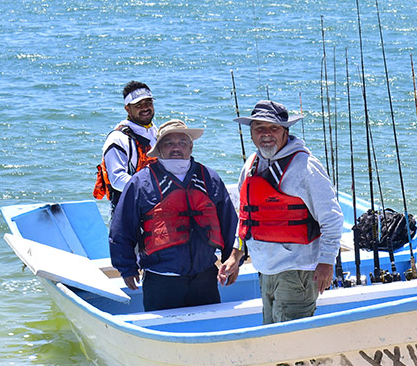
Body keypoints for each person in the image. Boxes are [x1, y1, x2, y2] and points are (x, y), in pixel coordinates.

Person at [109, 119, 241, 312]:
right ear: (158, 148)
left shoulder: (209, 178)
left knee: (208, 333)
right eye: (169, 143)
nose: (176, 148)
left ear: (191, 146)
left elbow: (229, 223)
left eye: (182, 142)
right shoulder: (140, 182)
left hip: (204, 276)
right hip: (161, 280)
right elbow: (121, 228)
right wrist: (126, 268)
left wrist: (233, 260)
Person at [234, 99, 343, 324]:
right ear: (251, 134)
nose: (266, 134)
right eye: (259, 129)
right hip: (265, 269)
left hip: (298, 271)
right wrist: (236, 255)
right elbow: (246, 216)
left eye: (273, 128)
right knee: (271, 333)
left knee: (290, 340)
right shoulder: (251, 164)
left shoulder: (305, 166)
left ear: (285, 131)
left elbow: (332, 218)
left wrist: (326, 262)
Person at [94, 81, 159, 212]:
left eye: (148, 103)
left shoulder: (155, 131)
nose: (145, 108)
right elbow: (117, 179)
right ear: (127, 109)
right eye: (138, 105)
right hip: (127, 213)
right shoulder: (118, 138)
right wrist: (155, 189)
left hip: (155, 209)